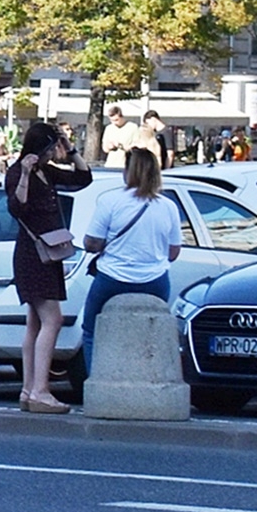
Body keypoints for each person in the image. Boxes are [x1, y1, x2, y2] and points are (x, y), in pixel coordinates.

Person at [5, 119, 90, 414]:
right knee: (52, 320)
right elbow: (17, 208)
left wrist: (72, 148)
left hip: (48, 254)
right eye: (53, 146)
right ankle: (40, 390)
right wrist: (26, 173)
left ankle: (29, 390)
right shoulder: (19, 171)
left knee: (36, 322)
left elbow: (83, 179)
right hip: (32, 254)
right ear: (40, 148)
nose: (56, 151)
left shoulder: (48, 171)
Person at [77, 148, 183, 375]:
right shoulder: (168, 207)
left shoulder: (111, 200)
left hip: (112, 278)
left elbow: (90, 243)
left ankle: (96, 380)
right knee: (152, 332)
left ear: (128, 171)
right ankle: (147, 377)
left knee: (91, 330)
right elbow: (173, 252)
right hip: (155, 281)